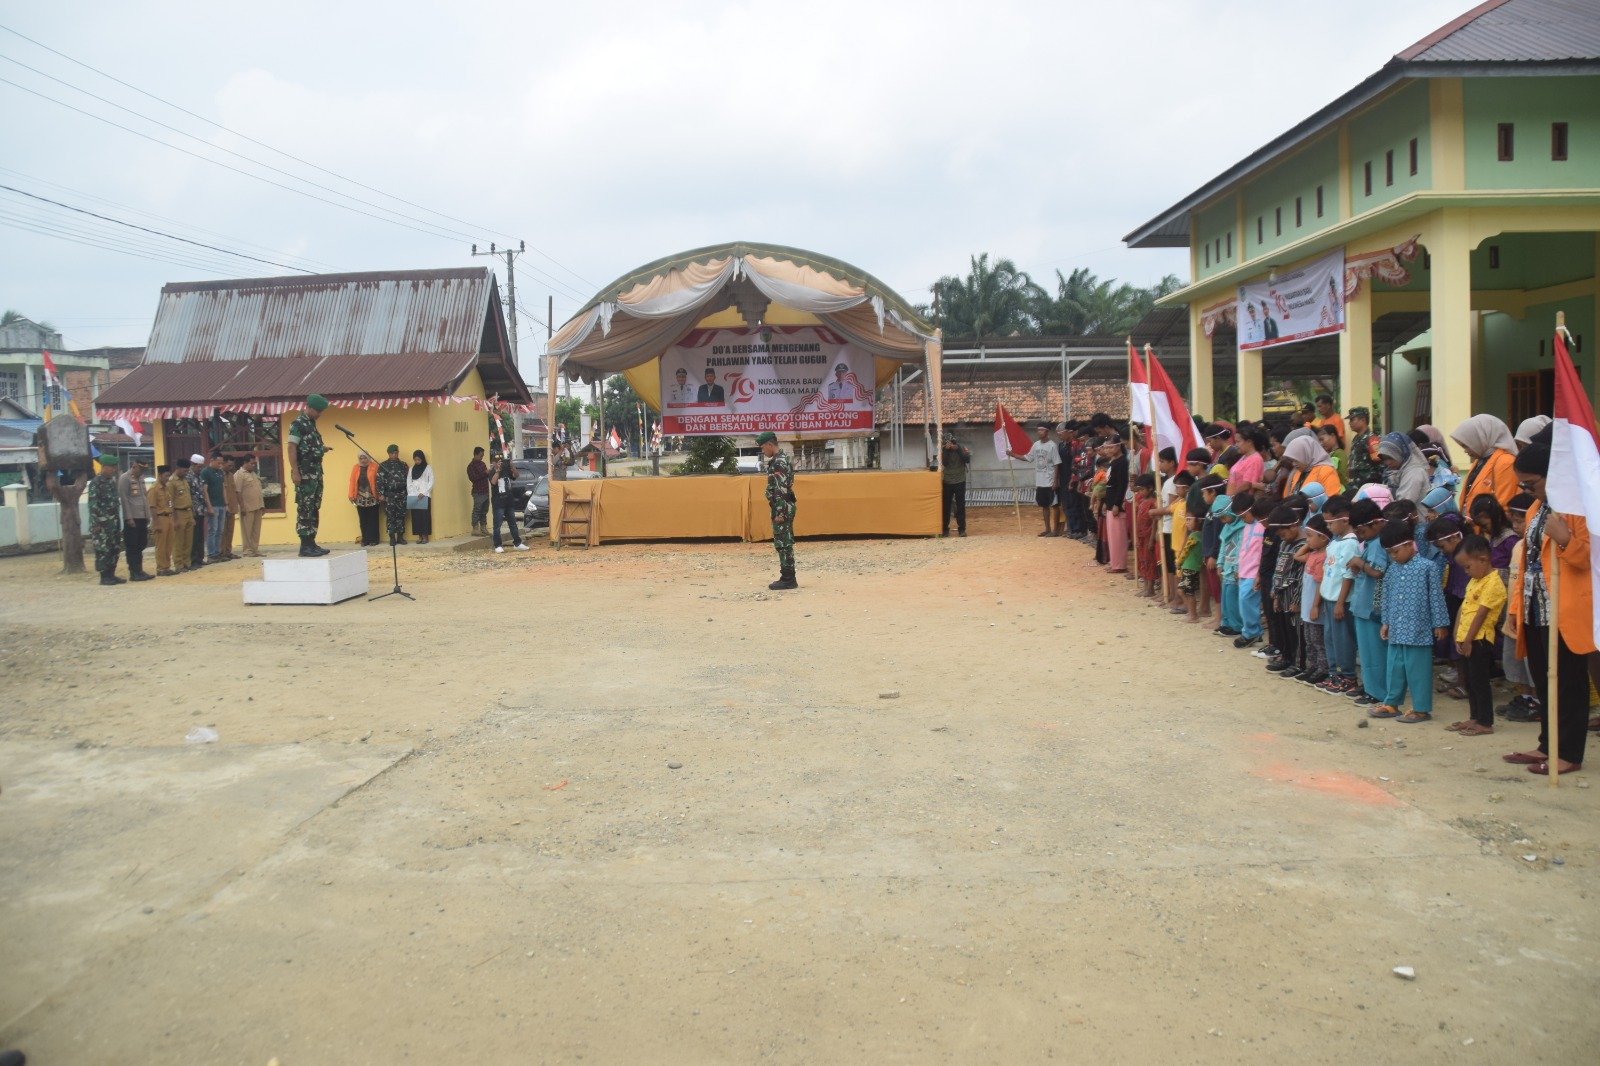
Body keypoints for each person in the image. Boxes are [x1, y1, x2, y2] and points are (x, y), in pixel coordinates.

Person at [1503, 436, 1592, 776]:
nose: (1527, 491)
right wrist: (1516, 607)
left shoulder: (1578, 507)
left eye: (1531, 484)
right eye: (1522, 485)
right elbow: (1526, 562)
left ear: (1551, 475)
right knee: (1544, 680)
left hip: (1565, 609)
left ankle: (1568, 753)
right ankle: (1547, 744)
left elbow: (1589, 560)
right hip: (1535, 606)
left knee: (1568, 683)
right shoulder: (1536, 509)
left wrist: (1566, 539)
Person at [1371, 519, 1450, 722]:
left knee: (1418, 671)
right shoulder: (1392, 570)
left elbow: (1436, 597)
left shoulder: (1428, 567)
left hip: (1419, 629)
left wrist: (1440, 624)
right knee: (1394, 669)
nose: (1393, 556)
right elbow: (1386, 597)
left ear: (1409, 544)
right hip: (1396, 629)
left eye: (1395, 551)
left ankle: (1421, 709)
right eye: (1389, 553)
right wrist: (1386, 622)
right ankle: (1391, 703)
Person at [1449, 535, 1507, 737]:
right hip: (1466, 637)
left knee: (1480, 681)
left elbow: (1481, 613)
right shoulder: (1475, 580)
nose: (1466, 572)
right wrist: (1457, 632)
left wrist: (1468, 640)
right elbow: (1464, 607)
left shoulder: (1494, 582)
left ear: (1483, 560)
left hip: (1479, 639)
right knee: (1470, 681)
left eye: (1467, 567)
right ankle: (1474, 717)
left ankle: (1485, 722)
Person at [1344, 498, 1389, 706]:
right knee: (1367, 652)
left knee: (1375, 653)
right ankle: (1370, 686)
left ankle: (1377, 691)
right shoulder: (1372, 542)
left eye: (1362, 531)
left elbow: (1378, 571)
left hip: (1372, 607)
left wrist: (1358, 563)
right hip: (1363, 605)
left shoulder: (1379, 543)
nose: (1360, 536)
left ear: (1375, 523)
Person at [286, 394, 332, 557]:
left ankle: (311, 542)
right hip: (304, 474)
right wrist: (295, 471)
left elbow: (308, 448)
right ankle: (305, 545)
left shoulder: (311, 425)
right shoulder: (298, 424)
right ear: (309, 407)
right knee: (305, 508)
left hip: (315, 474)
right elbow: (291, 448)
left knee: (313, 507)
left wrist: (321, 449)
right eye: (318, 411)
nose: (319, 414)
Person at [1264, 504, 1305, 674]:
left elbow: (1300, 576)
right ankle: (1286, 657)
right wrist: (1275, 593)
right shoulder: (1283, 544)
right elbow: (1278, 569)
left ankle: (1299, 663)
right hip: (1281, 595)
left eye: (1283, 533)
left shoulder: (1303, 546)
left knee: (1296, 632)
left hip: (1293, 596)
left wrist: (1296, 600)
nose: (1282, 538)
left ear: (1294, 526)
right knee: (1284, 629)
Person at [1451, 414, 1519, 513]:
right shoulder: (1480, 460)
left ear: (1480, 439)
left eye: (1466, 445)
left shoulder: (1505, 462)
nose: (1465, 451)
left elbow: (1504, 504)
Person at [758, 431, 798, 590]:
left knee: (783, 542)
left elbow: (780, 489)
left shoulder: (778, 463)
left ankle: (788, 578)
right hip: (785, 504)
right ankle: (788, 576)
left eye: (763, 448)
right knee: (784, 541)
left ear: (770, 444)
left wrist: (780, 512)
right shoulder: (781, 459)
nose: (763, 451)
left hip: (782, 506)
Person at [1297, 514, 1331, 687]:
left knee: (1318, 641)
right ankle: (1313, 666)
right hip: (1306, 606)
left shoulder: (1324, 557)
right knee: (1309, 639)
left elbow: (1319, 583)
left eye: (1310, 536)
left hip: (1314, 606)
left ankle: (1323, 668)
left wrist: (1315, 606)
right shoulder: (1313, 554)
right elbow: (1297, 556)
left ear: (1323, 537)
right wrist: (1310, 543)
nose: (1307, 540)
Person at [1009, 425, 1061, 538]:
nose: (1039, 432)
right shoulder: (1036, 445)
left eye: (1042, 430)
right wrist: (1013, 455)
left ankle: (1056, 530)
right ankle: (1047, 529)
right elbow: (1028, 458)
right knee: (1044, 505)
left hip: (1050, 480)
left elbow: (1057, 463)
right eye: (1038, 430)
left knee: (1054, 505)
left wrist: (1055, 480)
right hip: (1040, 481)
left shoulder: (1052, 446)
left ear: (1047, 431)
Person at [1233, 494, 1265, 647]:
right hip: (1244, 570)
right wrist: (1238, 567)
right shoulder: (1246, 527)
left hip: (1255, 572)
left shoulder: (1262, 526)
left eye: (1243, 516)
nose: (1242, 520)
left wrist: (1260, 573)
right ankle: (1253, 631)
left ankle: (1250, 632)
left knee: (1246, 600)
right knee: (1244, 602)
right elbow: (1242, 548)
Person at [88, 455, 124, 586]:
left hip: (113, 523)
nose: (114, 470)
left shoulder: (111, 482)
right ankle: (104, 576)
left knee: (114, 548)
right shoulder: (96, 483)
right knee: (103, 550)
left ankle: (111, 574)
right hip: (102, 525)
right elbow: (93, 505)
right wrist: (95, 524)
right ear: (104, 467)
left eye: (114, 467)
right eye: (112, 467)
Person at [117, 455, 153, 581]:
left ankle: (140, 570)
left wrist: (148, 515)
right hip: (132, 517)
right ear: (134, 466)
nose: (142, 472)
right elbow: (124, 499)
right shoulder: (124, 478)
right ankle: (134, 572)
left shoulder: (141, 478)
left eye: (144, 470)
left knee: (141, 544)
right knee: (132, 546)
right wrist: (128, 518)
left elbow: (144, 497)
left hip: (142, 516)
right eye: (141, 469)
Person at [1099, 436, 1129, 571]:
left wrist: (1117, 503)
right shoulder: (1113, 462)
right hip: (1110, 500)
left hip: (1116, 502)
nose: (1108, 450)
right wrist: (1106, 502)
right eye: (1107, 447)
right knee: (1112, 535)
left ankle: (1119, 564)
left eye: (1110, 447)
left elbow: (1122, 484)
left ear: (1118, 446)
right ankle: (1114, 561)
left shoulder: (1122, 462)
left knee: (1118, 535)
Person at [489, 455, 530, 553]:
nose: (500, 463)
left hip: (509, 501)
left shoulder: (506, 469)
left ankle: (517, 543)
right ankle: (498, 545)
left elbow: (516, 475)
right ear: (493, 462)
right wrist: (497, 471)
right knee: (497, 525)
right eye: (497, 462)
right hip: (498, 502)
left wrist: (512, 466)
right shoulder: (492, 471)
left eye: (501, 461)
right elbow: (493, 482)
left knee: (513, 524)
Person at [1282, 433, 1343, 498]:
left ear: (1307, 454)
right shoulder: (1298, 472)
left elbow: (1332, 499)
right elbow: (1287, 497)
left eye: (1297, 460)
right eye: (1292, 461)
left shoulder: (1326, 471)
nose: (1294, 464)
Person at [1377, 431, 1431, 503]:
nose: (1388, 462)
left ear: (1401, 454)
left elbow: (1404, 504)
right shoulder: (1395, 471)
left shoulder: (1414, 472)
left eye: (1391, 457)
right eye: (1384, 458)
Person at [376, 444, 410, 545]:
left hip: (402, 495)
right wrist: (381, 494)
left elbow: (409, 479)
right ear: (388, 453)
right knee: (390, 517)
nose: (394, 455)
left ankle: (400, 537)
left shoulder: (403, 465)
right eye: (392, 453)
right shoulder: (383, 465)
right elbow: (379, 480)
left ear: (398, 453)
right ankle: (392, 538)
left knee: (401, 516)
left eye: (396, 453)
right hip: (389, 496)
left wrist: (409, 493)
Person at [939, 432, 970, 537]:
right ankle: (945, 529)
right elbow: (945, 463)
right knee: (946, 506)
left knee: (960, 506)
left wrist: (958, 449)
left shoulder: (961, 448)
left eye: (952, 442)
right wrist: (946, 450)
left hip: (960, 480)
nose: (950, 444)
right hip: (947, 481)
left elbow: (967, 459)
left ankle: (962, 529)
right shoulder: (943, 450)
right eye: (947, 443)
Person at [149, 464, 177, 576]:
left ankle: (167, 566)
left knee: (168, 544)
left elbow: (170, 503)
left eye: (169, 476)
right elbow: (152, 507)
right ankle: (161, 568)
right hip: (160, 518)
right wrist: (156, 523)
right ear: (160, 475)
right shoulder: (154, 489)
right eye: (166, 476)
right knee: (161, 545)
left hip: (168, 517)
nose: (167, 478)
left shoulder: (166, 488)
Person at [234, 456, 265, 557]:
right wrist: (242, 506)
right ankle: (247, 550)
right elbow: (238, 492)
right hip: (247, 507)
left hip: (258, 506)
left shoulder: (253, 474)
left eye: (254, 464)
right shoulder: (239, 474)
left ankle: (255, 549)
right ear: (245, 462)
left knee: (256, 530)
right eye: (252, 463)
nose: (253, 465)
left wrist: (262, 505)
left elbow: (258, 490)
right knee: (247, 530)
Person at [1345, 407, 1382, 489]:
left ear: (1363, 420)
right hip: (1355, 485)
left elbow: (1379, 462)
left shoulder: (1372, 439)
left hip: (1368, 485)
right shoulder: (1356, 438)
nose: (1350, 423)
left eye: (1352, 420)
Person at [168, 460, 196, 572]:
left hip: (188, 512)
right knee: (178, 541)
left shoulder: (184, 480)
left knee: (188, 541)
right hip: (178, 512)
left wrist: (192, 516)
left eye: (187, 471)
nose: (186, 473)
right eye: (184, 471)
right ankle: (179, 564)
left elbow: (188, 498)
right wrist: (174, 519)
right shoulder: (171, 482)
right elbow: (170, 501)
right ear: (178, 468)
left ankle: (187, 563)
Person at [350, 453, 382, 547]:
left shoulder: (375, 466)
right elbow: (352, 481)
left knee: (373, 519)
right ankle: (365, 539)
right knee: (363, 520)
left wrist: (380, 494)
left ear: (368, 458)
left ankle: (374, 539)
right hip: (360, 498)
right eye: (361, 458)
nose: (363, 460)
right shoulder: (356, 467)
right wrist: (351, 495)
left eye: (365, 458)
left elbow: (379, 481)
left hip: (372, 497)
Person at [201, 453, 227, 562]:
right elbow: (204, 490)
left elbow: (223, 488)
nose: (220, 465)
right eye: (218, 462)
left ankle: (217, 552)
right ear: (212, 460)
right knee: (212, 530)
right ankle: (211, 554)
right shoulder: (205, 472)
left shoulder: (220, 472)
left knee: (220, 530)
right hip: (213, 505)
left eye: (221, 463)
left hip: (221, 505)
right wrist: (209, 506)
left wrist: (226, 503)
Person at [185, 454, 209, 568]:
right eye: (199, 467)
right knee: (193, 537)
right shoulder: (188, 477)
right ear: (193, 465)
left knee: (200, 536)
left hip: (200, 510)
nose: (200, 469)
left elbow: (202, 492)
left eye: (201, 467)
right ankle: (193, 560)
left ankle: (200, 558)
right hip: (192, 511)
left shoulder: (199, 476)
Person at [407, 449, 434, 543]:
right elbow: (409, 482)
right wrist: (412, 493)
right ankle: (419, 537)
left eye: (418, 459)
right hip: (414, 496)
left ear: (422, 458)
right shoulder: (411, 469)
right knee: (416, 517)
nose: (417, 461)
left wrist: (424, 492)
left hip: (424, 496)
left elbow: (431, 481)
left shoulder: (428, 468)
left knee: (424, 516)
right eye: (415, 460)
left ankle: (425, 536)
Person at [219, 456, 240, 560]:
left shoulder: (231, 475)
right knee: (222, 531)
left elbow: (234, 491)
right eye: (229, 465)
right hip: (223, 507)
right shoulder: (219, 475)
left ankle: (228, 551)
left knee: (230, 530)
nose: (231, 467)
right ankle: (221, 552)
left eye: (232, 466)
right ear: (223, 463)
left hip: (232, 507)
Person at [467, 447, 491, 536]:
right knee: (477, 510)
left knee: (484, 510)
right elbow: (473, 478)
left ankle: (483, 528)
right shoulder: (471, 466)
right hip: (478, 491)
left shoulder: (482, 464)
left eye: (483, 456)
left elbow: (487, 475)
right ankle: (475, 528)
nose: (482, 457)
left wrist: (490, 472)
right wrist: (485, 473)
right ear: (475, 454)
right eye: (481, 455)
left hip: (485, 490)